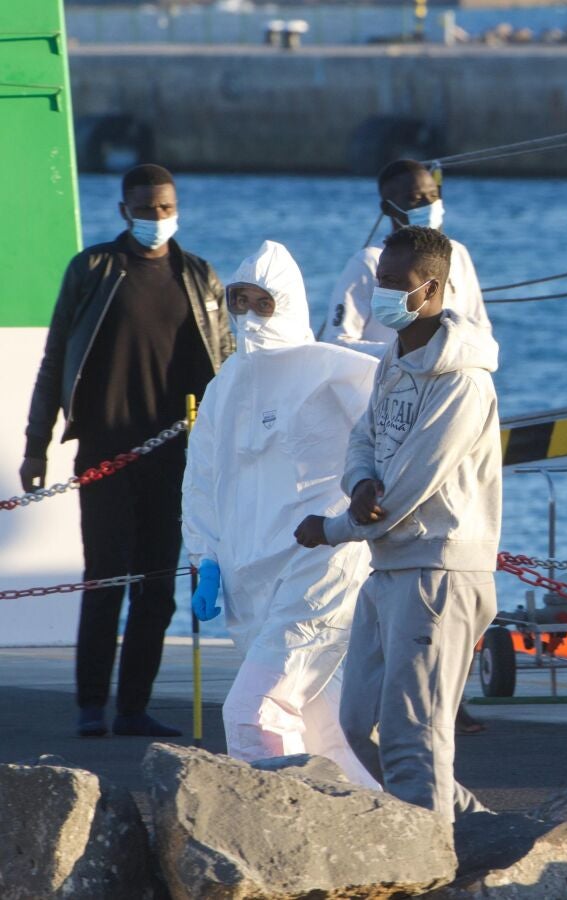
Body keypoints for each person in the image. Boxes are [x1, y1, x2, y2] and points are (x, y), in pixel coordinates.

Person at [293, 225, 502, 821]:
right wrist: (359, 482)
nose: (380, 292)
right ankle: (483, 832)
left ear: (430, 288)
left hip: (438, 570)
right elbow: (364, 436)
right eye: (379, 280)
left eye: (393, 282)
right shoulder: (396, 359)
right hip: (388, 566)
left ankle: (438, 858)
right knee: (361, 728)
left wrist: (333, 529)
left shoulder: (463, 380)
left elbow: (412, 484)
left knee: (416, 741)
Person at [22, 164, 232, 738]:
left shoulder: (199, 276)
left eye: (166, 208)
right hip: (104, 453)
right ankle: (92, 705)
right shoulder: (93, 269)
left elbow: (229, 364)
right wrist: (35, 445)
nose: (156, 218)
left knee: (158, 588)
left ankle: (134, 708)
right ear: (124, 211)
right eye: (145, 209)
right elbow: (54, 360)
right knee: (105, 580)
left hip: (176, 457)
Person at [183, 241, 379, 786]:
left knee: (255, 714)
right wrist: (205, 557)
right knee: (324, 730)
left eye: (263, 302)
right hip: (249, 580)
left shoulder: (331, 369)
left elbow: (404, 426)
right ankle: (389, 824)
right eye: (239, 301)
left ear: (287, 302)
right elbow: (201, 480)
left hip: (319, 567)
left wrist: (379, 512)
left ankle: (277, 824)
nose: (249, 315)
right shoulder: (225, 386)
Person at [319, 159, 488, 356]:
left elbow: (480, 327)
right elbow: (337, 342)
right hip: (382, 374)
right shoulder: (368, 262)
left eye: (434, 196)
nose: (429, 204)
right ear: (388, 208)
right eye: (416, 198)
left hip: (447, 370)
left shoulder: (457, 253)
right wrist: (404, 356)